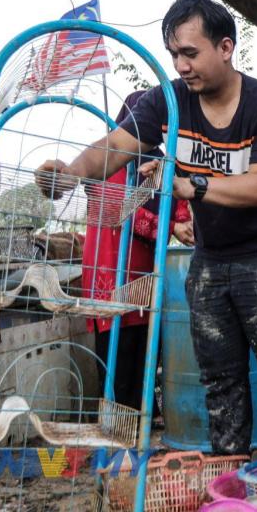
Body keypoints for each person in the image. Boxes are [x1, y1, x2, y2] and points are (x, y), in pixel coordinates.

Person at [35, 0, 257, 456]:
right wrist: (73, 171)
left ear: (225, 47)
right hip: (210, 259)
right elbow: (116, 144)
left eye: (190, 53)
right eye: (174, 55)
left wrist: (189, 186)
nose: (181, 66)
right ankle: (230, 482)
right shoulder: (168, 101)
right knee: (220, 382)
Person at [80, 90, 194, 409]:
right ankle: (117, 426)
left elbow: (180, 204)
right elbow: (121, 211)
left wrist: (181, 214)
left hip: (144, 277)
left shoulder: (155, 162)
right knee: (117, 356)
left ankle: (142, 417)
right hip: (110, 273)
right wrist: (172, 227)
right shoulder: (110, 161)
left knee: (146, 352)